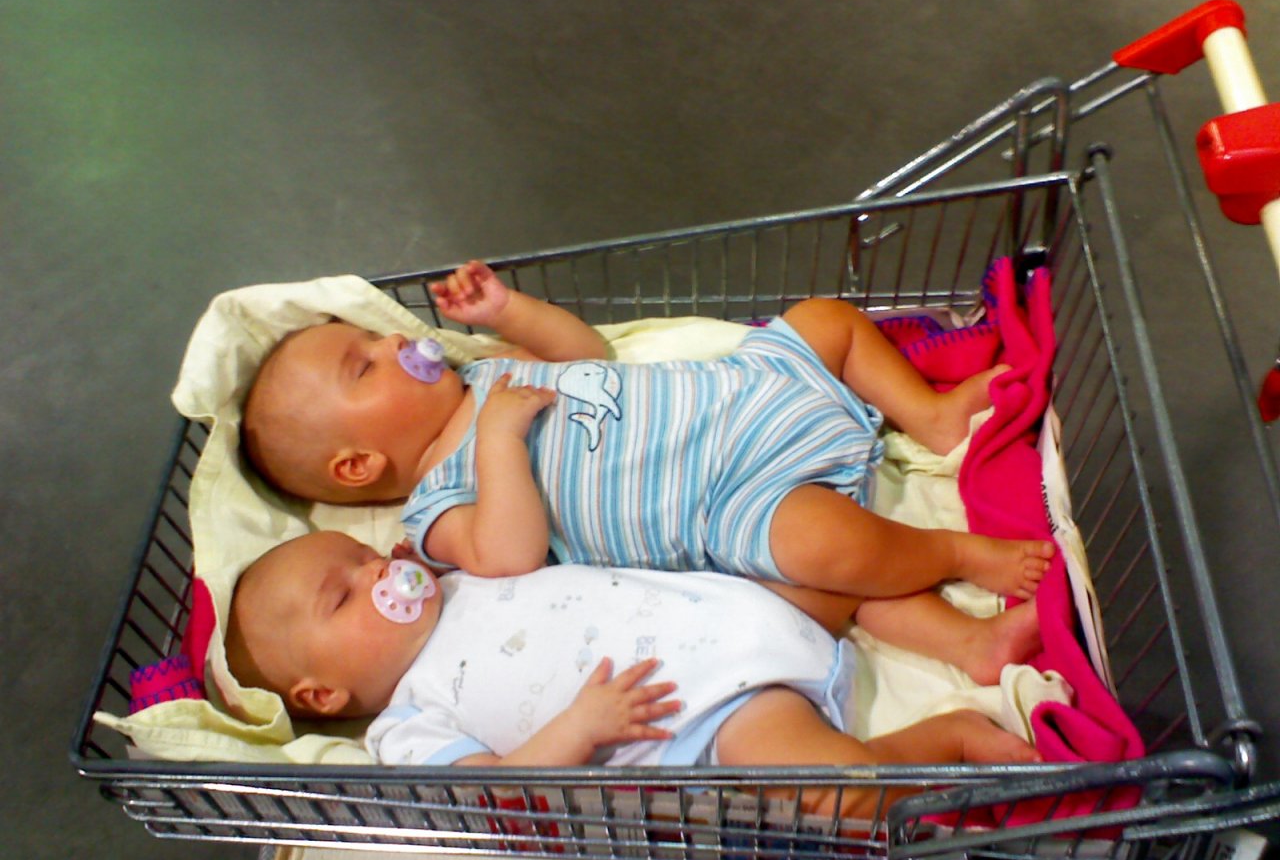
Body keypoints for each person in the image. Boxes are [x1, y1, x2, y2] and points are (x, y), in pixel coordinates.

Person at [241, 260, 1054, 606]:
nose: (394, 341)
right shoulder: (437, 510)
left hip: (747, 390)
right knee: (827, 550)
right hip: (738, 499)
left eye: (375, 335)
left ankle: (928, 416)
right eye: (365, 366)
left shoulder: (489, 372)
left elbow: (587, 355)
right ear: (358, 464)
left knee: (824, 319)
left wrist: (508, 313)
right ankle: (951, 554)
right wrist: (497, 443)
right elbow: (510, 554)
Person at [225, 531, 1042, 819]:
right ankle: (949, 738)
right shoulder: (407, 725)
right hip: (712, 707)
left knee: (846, 571)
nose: (380, 573)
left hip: (723, 603)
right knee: (840, 795)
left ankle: (970, 641)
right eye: (346, 594)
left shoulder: (460, 572)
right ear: (323, 694)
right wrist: (578, 729)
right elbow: (496, 787)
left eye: (366, 556)